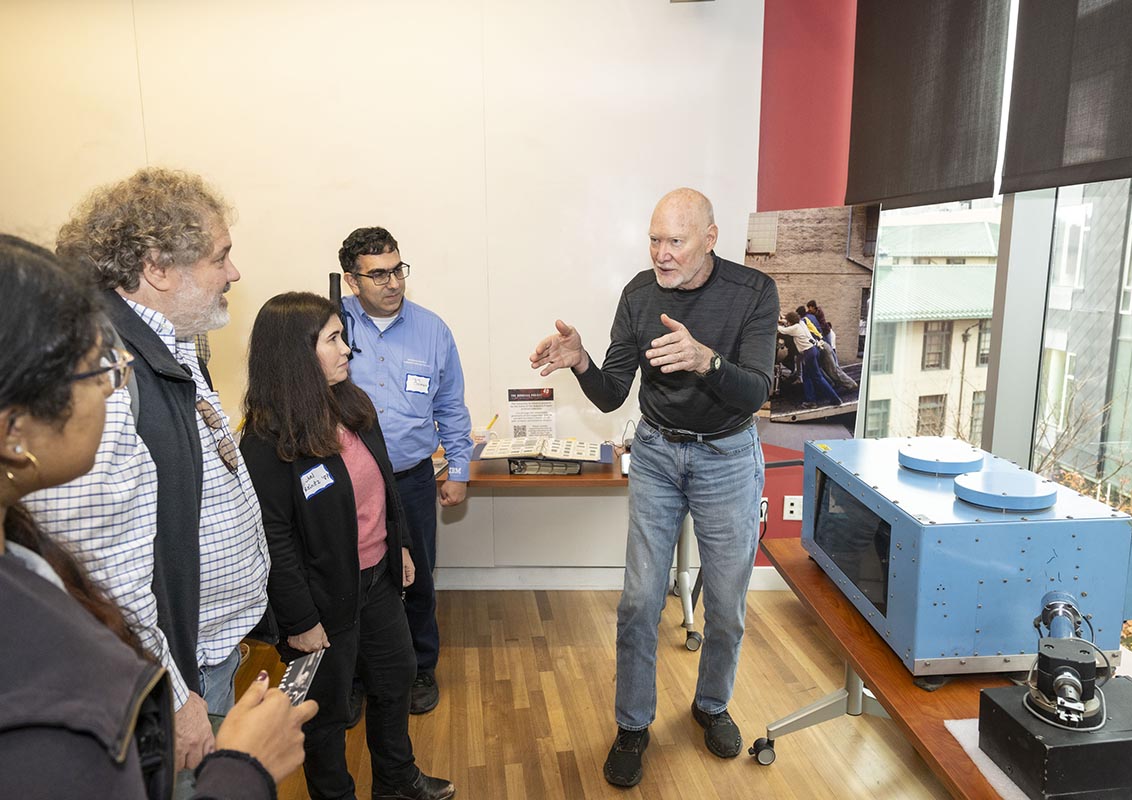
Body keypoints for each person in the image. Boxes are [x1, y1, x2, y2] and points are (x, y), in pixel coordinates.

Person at [0, 234, 316, 798]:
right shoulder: (38, 689)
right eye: (93, 372)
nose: (112, 386)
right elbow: (114, 574)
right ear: (13, 431)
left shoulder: (20, 551)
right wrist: (245, 767)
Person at [529, 188, 778, 787]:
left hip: (727, 455)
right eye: (655, 239)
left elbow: (758, 390)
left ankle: (711, 704)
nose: (661, 254)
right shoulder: (639, 295)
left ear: (710, 239)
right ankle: (633, 724)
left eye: (676, 241)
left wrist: (705, 361)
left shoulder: (752, 293)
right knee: (640, 600)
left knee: (725, 604)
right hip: (659, 453)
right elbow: (614, 391)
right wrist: (583, 360)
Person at [241, 292, 455, 800]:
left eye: (344, 337)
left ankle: (397, 782)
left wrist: (399, 545)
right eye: (334, 340)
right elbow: (275, 539)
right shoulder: (268, 438)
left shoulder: (352, 405)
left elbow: (385, 485)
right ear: (296, 354)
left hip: (377, 577)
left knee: (396, 677)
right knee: (327, 712)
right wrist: (300, 621)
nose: (346, 351)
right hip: (320, 600)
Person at [337, 227, 472, 715]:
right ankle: (351, 678)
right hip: (346, 483)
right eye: (378, 274)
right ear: (352, 281)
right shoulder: (333, 326)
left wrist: (458, 469)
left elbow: (452, 406)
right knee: (348, 581)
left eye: (397, 269)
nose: (392, 282)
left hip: (411, 478)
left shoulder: (432, 329)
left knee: (416, 579)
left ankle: (420, 669)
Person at [779, 311, 842, 409]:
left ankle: (835, 398)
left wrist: (773, 322)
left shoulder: (795, 328)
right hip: (813, 350)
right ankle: (811, 401)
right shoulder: (801, 323)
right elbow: (786, 323)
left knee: (817, 377)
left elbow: (782, 330)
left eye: (788, 321)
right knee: (807, 377)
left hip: (808, 353)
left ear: (791, 322)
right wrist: (782, 319)